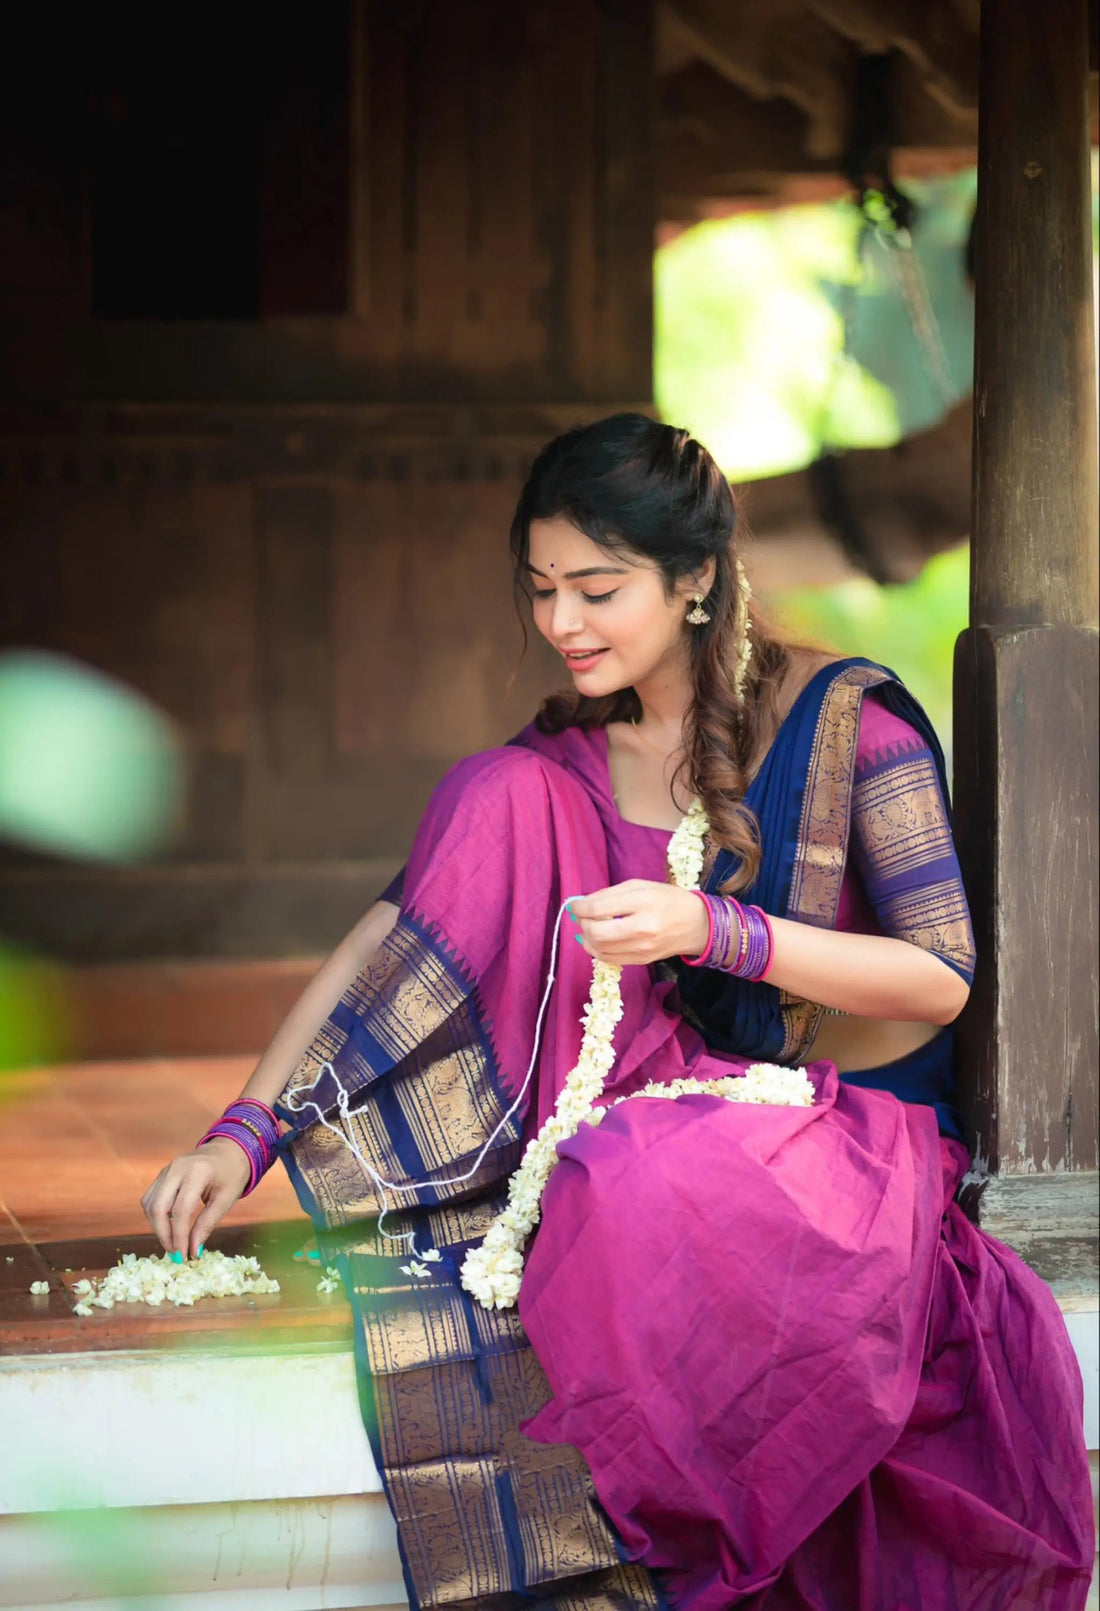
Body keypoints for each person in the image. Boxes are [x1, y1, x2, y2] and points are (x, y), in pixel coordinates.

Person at [142, 416, 1093, 1611]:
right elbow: (396, 936)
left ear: (694, 581)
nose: (559, 624)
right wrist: (247, 1128)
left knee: (640, 1184)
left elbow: (940, 977)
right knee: (497, 810)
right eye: (540, 589)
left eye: (596, 589)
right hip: (618, 1110)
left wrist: (717, 933)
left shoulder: (845, 722)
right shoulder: (563, 760)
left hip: (833, 1116)